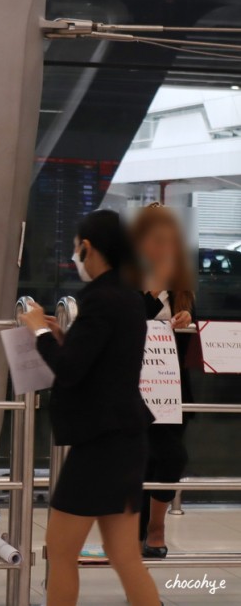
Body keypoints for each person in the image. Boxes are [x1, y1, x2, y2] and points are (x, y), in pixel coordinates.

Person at [20, 209, 160, 606]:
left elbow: (69, 370)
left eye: (77, 247)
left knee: (61, 551)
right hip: (127, 441)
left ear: (88, 247)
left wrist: (40, 330)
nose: (74, 254)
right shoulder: (129, 296)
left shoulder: (100, 298)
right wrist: (65, 336)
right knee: (126, 557)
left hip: (100, 446)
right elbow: (102, 359)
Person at [131, 203, 195, 558]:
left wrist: (185, 318)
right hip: (134, 388)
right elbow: (126, 329)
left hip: (172, 389)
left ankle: (156, 526)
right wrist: (151, 294)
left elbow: (183, 345)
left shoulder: (182, 287)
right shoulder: (127, 281)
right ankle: (139, 532)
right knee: (140, 460)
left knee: (170, 457)